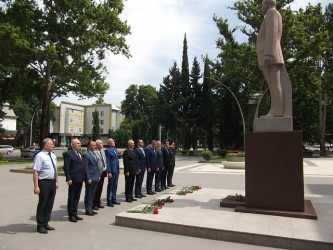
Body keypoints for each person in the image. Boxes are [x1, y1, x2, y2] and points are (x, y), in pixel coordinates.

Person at [256, 0, 291, 117]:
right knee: (272, 84)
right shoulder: (272, 14)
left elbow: (272, 33)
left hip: (271, 55)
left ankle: (277, 111)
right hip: (269, 55)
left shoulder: (271, 13)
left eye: (262, 4)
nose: (261, 7)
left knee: (274, 83)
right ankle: (276, 109)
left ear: (266, 4)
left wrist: (268, 54)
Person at [33, 138, 58, 234]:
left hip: (52, 182)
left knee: (50, 203)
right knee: (43, 203)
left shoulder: (53, 155)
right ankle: (40, 225)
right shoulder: (40, 156)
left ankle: (46, 222)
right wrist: (36, 186)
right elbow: (36, 171)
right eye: (51, 144)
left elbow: (55, 169)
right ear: (45, 145)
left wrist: (56, 181)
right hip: (43, 182)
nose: (53, 146)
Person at [63, 139, 84, 223]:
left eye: (80, 143)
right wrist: (68, 178)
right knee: (72, 197)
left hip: (80, 178)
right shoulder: (69, 154)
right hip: (73, 179)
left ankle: (75, 212)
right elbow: (66, 167)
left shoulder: (79, 153)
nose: (79, 145)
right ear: (72, 145)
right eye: (77, 143)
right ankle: (71, 214)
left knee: (77, 197)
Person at [82, 141, 100, 216]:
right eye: (93, 145)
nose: (95, 146)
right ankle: (87, 209)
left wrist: (98, 175)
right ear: (89, 146)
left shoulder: (94, 153)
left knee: (93, 194)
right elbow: (85, 168)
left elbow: (96, 166)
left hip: (95, 176)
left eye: (95, 145)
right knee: (89, 194)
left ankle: (91, 208)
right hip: (90, 178)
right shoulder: (86, 155)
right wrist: (88, 178)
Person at [105, 138, 120, 206]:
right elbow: (107, 161)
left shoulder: (115, 149)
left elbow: (116, 160)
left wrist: (118, 168)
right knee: (110, 185)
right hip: (112, 170)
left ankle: (114, 199)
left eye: (114, 141)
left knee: (115, 185)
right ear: (109, 143)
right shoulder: (107, 150)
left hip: (116, 170)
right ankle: (109, 200)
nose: (114, 142)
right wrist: (109, 172)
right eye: (112, 141)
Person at [93, 139, 107, 211]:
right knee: (96, 189)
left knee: (100, 188)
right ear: (97, 144)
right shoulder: (95, 152)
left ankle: (98, 202)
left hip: (103, 172)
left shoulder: (102, 151)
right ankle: (94, 204)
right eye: (101, 143)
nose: (102, 144)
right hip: (97, 173)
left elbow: (104, 160)